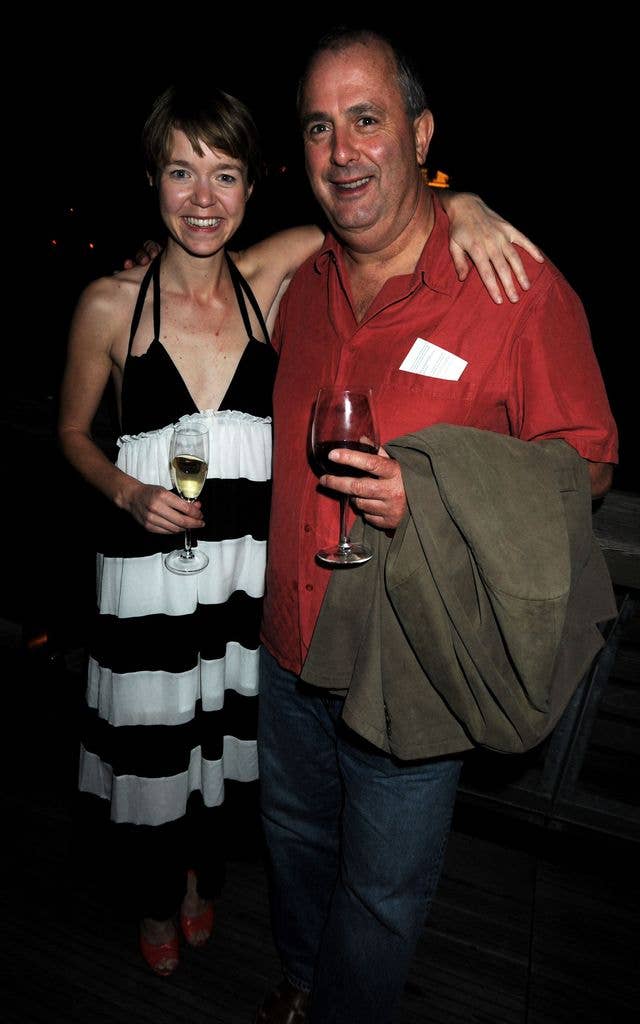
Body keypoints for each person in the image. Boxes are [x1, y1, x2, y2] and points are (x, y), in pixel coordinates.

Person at [58, 82, 541, 980]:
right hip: (151, 574)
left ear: (252, 187)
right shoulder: (108, 304)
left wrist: (460, 202)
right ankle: (160, 895)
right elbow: (70, 436)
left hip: (247, 574)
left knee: (225, 742)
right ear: (153, 183)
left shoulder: (268, 279)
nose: (203, 199)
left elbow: (377, 216)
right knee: (157, 742)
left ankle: (202, 881)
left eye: (226, 175)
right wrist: (125, 491)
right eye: (180, 173)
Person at [255, 27, 618, 1024]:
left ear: (417, 132)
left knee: (380, 894)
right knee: (291, 836)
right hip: (285, 648)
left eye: (366, 119)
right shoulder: (304, 287)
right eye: (319, 127)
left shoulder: (514, 291)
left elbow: (586, 462)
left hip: (409, 657)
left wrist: (436, 495)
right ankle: (297, 978)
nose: (341, 150)